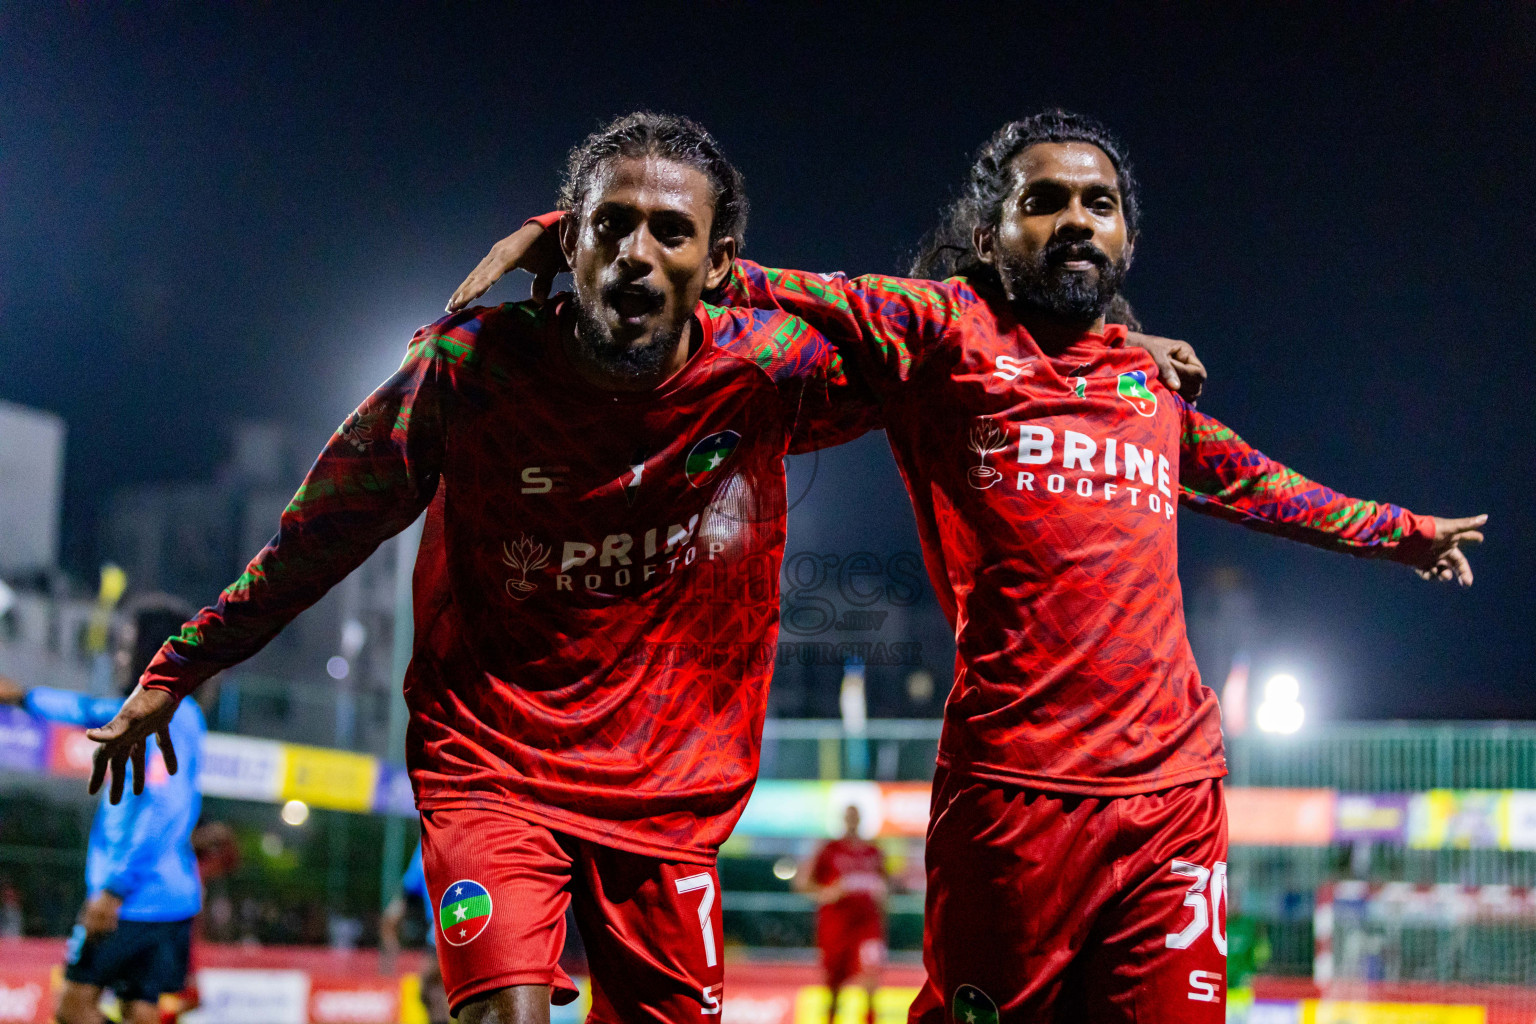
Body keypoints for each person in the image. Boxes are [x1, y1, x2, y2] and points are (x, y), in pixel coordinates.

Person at [447, 109, 1485, 1023]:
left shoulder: (1145, 384)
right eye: (1046, 201)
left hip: (1173, 792)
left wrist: (1404, 531)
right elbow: (757, 278)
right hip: (1011, 803)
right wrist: (565, 237)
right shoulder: (943, 336)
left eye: (1101, 203)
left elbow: (1258, 485)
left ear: (1127, 234)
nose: (1078, 220)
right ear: (992, 236)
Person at [0, 602, 204, 1024]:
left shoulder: (169, 717)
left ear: (154, 652)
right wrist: (24, 697)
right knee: (142, 1012)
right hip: (172, 900)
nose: (119, 656)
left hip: (133, 902)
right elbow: (87, 711)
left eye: (128, 646)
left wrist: (113, 889)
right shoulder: (174, 711)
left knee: (71, 1007)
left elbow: (165, 809)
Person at [801, 806, 887, 1024]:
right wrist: (827, 893)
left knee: (871, 983)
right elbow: (803, 883)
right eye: (848, 817)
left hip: (868, 927)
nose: (852, 821)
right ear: (843, 820)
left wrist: (884, 896)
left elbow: (886, 885)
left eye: (855, 817)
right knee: (833, 987)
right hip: (837, 928)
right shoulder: (829, 849)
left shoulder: (873, 851)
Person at [381, 843, 450, 1024]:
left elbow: (401, 902)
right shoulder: (424, 847)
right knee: (430, 990)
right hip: (442, 926)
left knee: (430, 988)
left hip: (450, 921)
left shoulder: (427, 845)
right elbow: (408, 893)